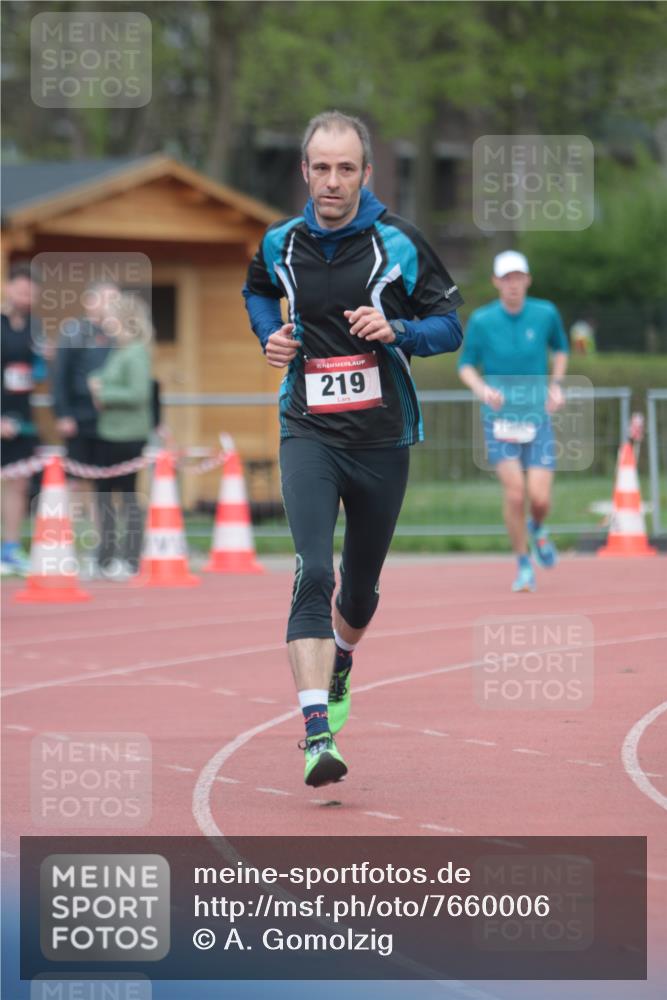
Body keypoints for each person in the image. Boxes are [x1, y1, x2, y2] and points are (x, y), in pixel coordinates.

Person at [243, 110, 464, 788]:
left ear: (365, 173)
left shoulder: (398, 242)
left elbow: (449, 325)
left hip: (381, 438)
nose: (331, 181)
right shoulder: (280, 242)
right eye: (320, 168)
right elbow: (257, 292)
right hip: (307, 429)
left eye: (344, 168)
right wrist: (268, 337)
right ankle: (315, 733)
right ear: (303, 171)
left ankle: (341, 658)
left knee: (359, 592)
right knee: (313, 570)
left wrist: (396, 329)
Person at [458, 250, 569, 593]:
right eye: (506, 278)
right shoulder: (481, 320)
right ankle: (523, 564)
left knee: (539, 499)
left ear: (527, 280)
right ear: (496, 282)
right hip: (500, 419)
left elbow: (561, 349)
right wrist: (482, 389)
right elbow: (465, 365)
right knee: (515, 494)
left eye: (518, 277)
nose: (513, 284)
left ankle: (537, 528)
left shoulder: (546, 313)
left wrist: (556, 385)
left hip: (537, 417)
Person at [52, 281, 117, 572]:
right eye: (108, 299)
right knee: (77, 484)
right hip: (77, 418)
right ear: (91, 302)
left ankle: (102, 549)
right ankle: (69, 544)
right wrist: (63, 413)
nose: (112, 305)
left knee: (106, 484)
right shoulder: (73, 332)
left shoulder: (118, 335)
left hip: (108, 421)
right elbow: (59, 376)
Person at [87, 293, 153, 580]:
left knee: (127, 497)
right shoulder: (119, 349)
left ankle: (130, 555)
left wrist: (103, 392)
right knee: (104, 496)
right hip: (109, 431)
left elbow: (139, 393)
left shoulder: (136, 351)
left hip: (127, 434)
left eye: (111, 315)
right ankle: (106, 553)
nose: (105, 321)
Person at [1, 265, 48, 575]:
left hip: (23, 417)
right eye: (21, 290)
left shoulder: (35, 328)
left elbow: (38, 373)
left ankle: (10, 548)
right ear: (8, 290)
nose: (25, 296)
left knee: (18, 484)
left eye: (30, 292)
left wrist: (47, 362)